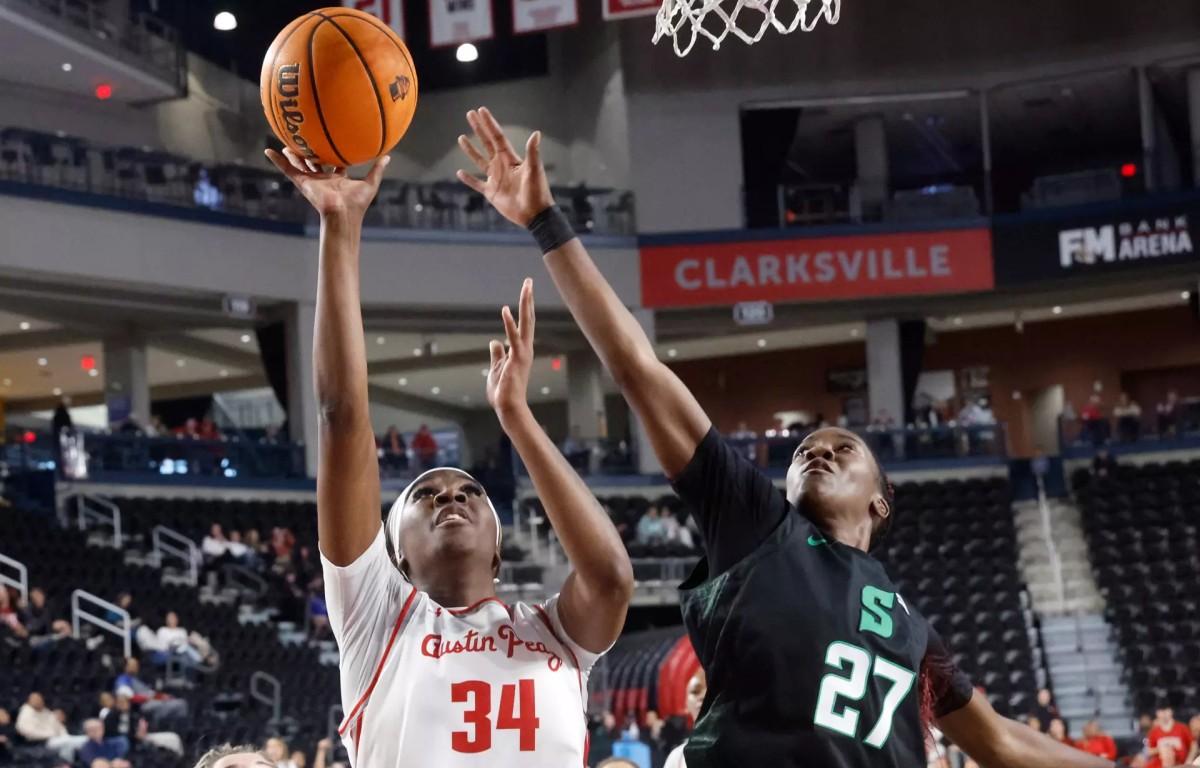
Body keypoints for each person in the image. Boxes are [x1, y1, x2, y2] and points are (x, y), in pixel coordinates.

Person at [459, 105, 1114, 768]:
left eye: (842, 448)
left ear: (881, 500)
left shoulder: (911, 627)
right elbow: (637, 367)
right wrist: (546, 220)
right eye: (804, 450)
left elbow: (999, 742)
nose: (818, 450)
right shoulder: (758, 526)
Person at [266, 143, 633, 767]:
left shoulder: (556, 633)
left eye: (470, 492)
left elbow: (611, 579)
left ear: (499, 549)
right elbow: (342, 417)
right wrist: (339, 226)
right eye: (425, 494)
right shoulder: (376, 619)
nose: (451, 496)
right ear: (395, 554)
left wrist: (517, 419)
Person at [664, 667, 707, 768]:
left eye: (711, 691)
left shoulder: (738, 748)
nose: (703, 696)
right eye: (695, 691)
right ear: (686, 704)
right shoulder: (677, 758)